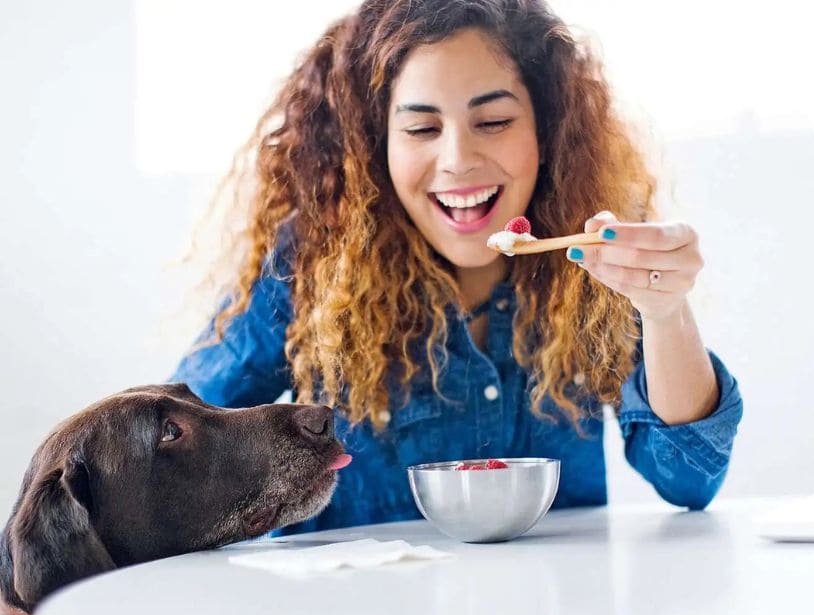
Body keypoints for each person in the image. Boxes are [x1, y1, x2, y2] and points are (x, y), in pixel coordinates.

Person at [170, 0, 742, 535]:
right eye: (421, 128)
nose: (458, 161)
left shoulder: (599, 252)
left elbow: (690, 481)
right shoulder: (310, 262)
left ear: (548, 130)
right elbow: (177, 457)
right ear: (377, 146)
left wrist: (666, 311)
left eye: (492, 121)